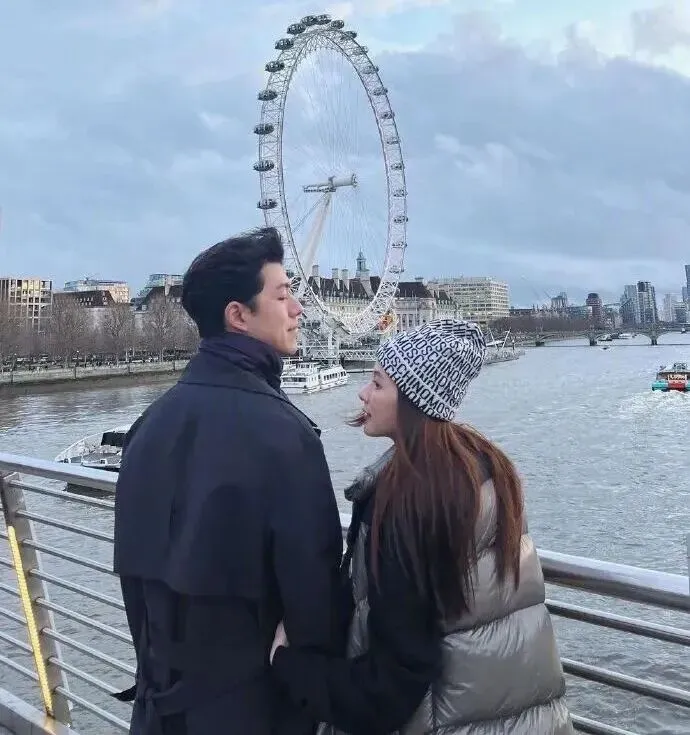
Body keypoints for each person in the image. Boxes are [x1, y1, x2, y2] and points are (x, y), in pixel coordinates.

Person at [270, 318, 573, 734]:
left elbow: (389, 688)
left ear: (414, 400)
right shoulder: (483, 468)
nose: (363, 393)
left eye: (377, 383)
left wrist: (291, 667)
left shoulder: (409, 503)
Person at [113, 227, 345, 735]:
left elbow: (136, 583)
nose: (298, 310)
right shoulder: (286, 437)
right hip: (254, 711)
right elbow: (314, 603)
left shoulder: (147, 428)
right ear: (238, 315)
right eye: (282, 296)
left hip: (157, 710)